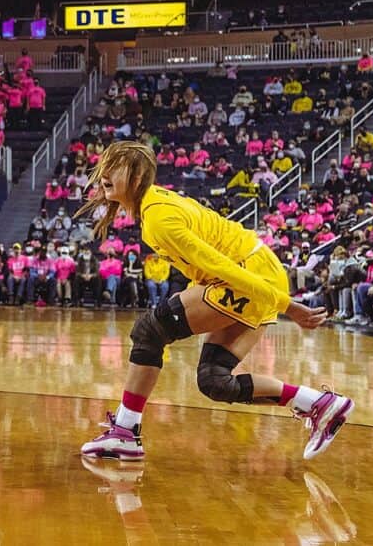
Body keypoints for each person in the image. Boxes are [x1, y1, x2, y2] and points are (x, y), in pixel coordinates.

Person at [77, 141, 353, 462]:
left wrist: (287, 306)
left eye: (114, 168)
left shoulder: (158, 218)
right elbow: (208, 265)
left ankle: (125, 432)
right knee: (214, 381)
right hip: (254, 272)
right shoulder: (153, 204)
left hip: (249, 274)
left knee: (149, 331)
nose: (105, 174)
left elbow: (223, 267)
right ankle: (317, 403)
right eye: (104, 167)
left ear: (137, 177)